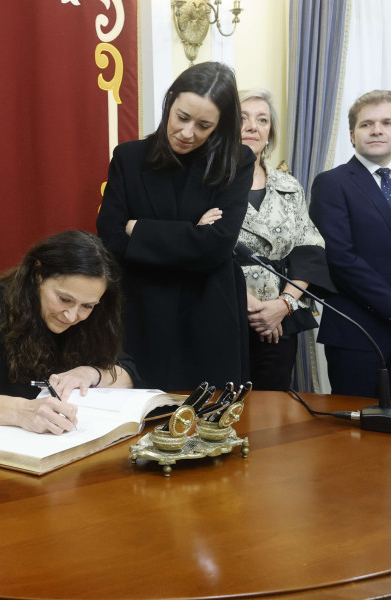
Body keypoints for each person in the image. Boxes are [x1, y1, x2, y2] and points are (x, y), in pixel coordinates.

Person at [97, 61, 254, 391]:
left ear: (220, 125)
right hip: (141, 308)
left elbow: (217, 245)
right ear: (169, 102)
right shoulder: (129, 157)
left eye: (203, 125)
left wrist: (139, 229)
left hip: (208, 310)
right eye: (182, 117)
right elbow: (110, 238)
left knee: (209, 421)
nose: (188, 132)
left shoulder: (237, 160)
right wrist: (192, 232)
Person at [0, 230, 138, 435]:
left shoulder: (95, 313)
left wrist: (91, 373)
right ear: (38, 274)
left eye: (86, 306)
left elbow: (127, 373)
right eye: (64, 299)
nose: (71, 316)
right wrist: (21, 412)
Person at [235, 89, 333, 390]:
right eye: (242, 118)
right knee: (221, 412)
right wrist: (250, 307)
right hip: (225, 314)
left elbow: (309, 249)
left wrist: (284, 304)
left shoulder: (289, 185)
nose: (253, 126)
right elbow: (200, 249)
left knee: (271, 415)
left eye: (262, 120)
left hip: (281, 319)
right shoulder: (206, 183)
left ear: (269, 133)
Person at [310, 90, 391, 399]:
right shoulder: (332, 183)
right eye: (367, 124)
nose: (378, 130)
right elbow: (341, 259)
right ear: (352, 135)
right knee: (355, 435)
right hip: (358, 334)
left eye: (387, 122)